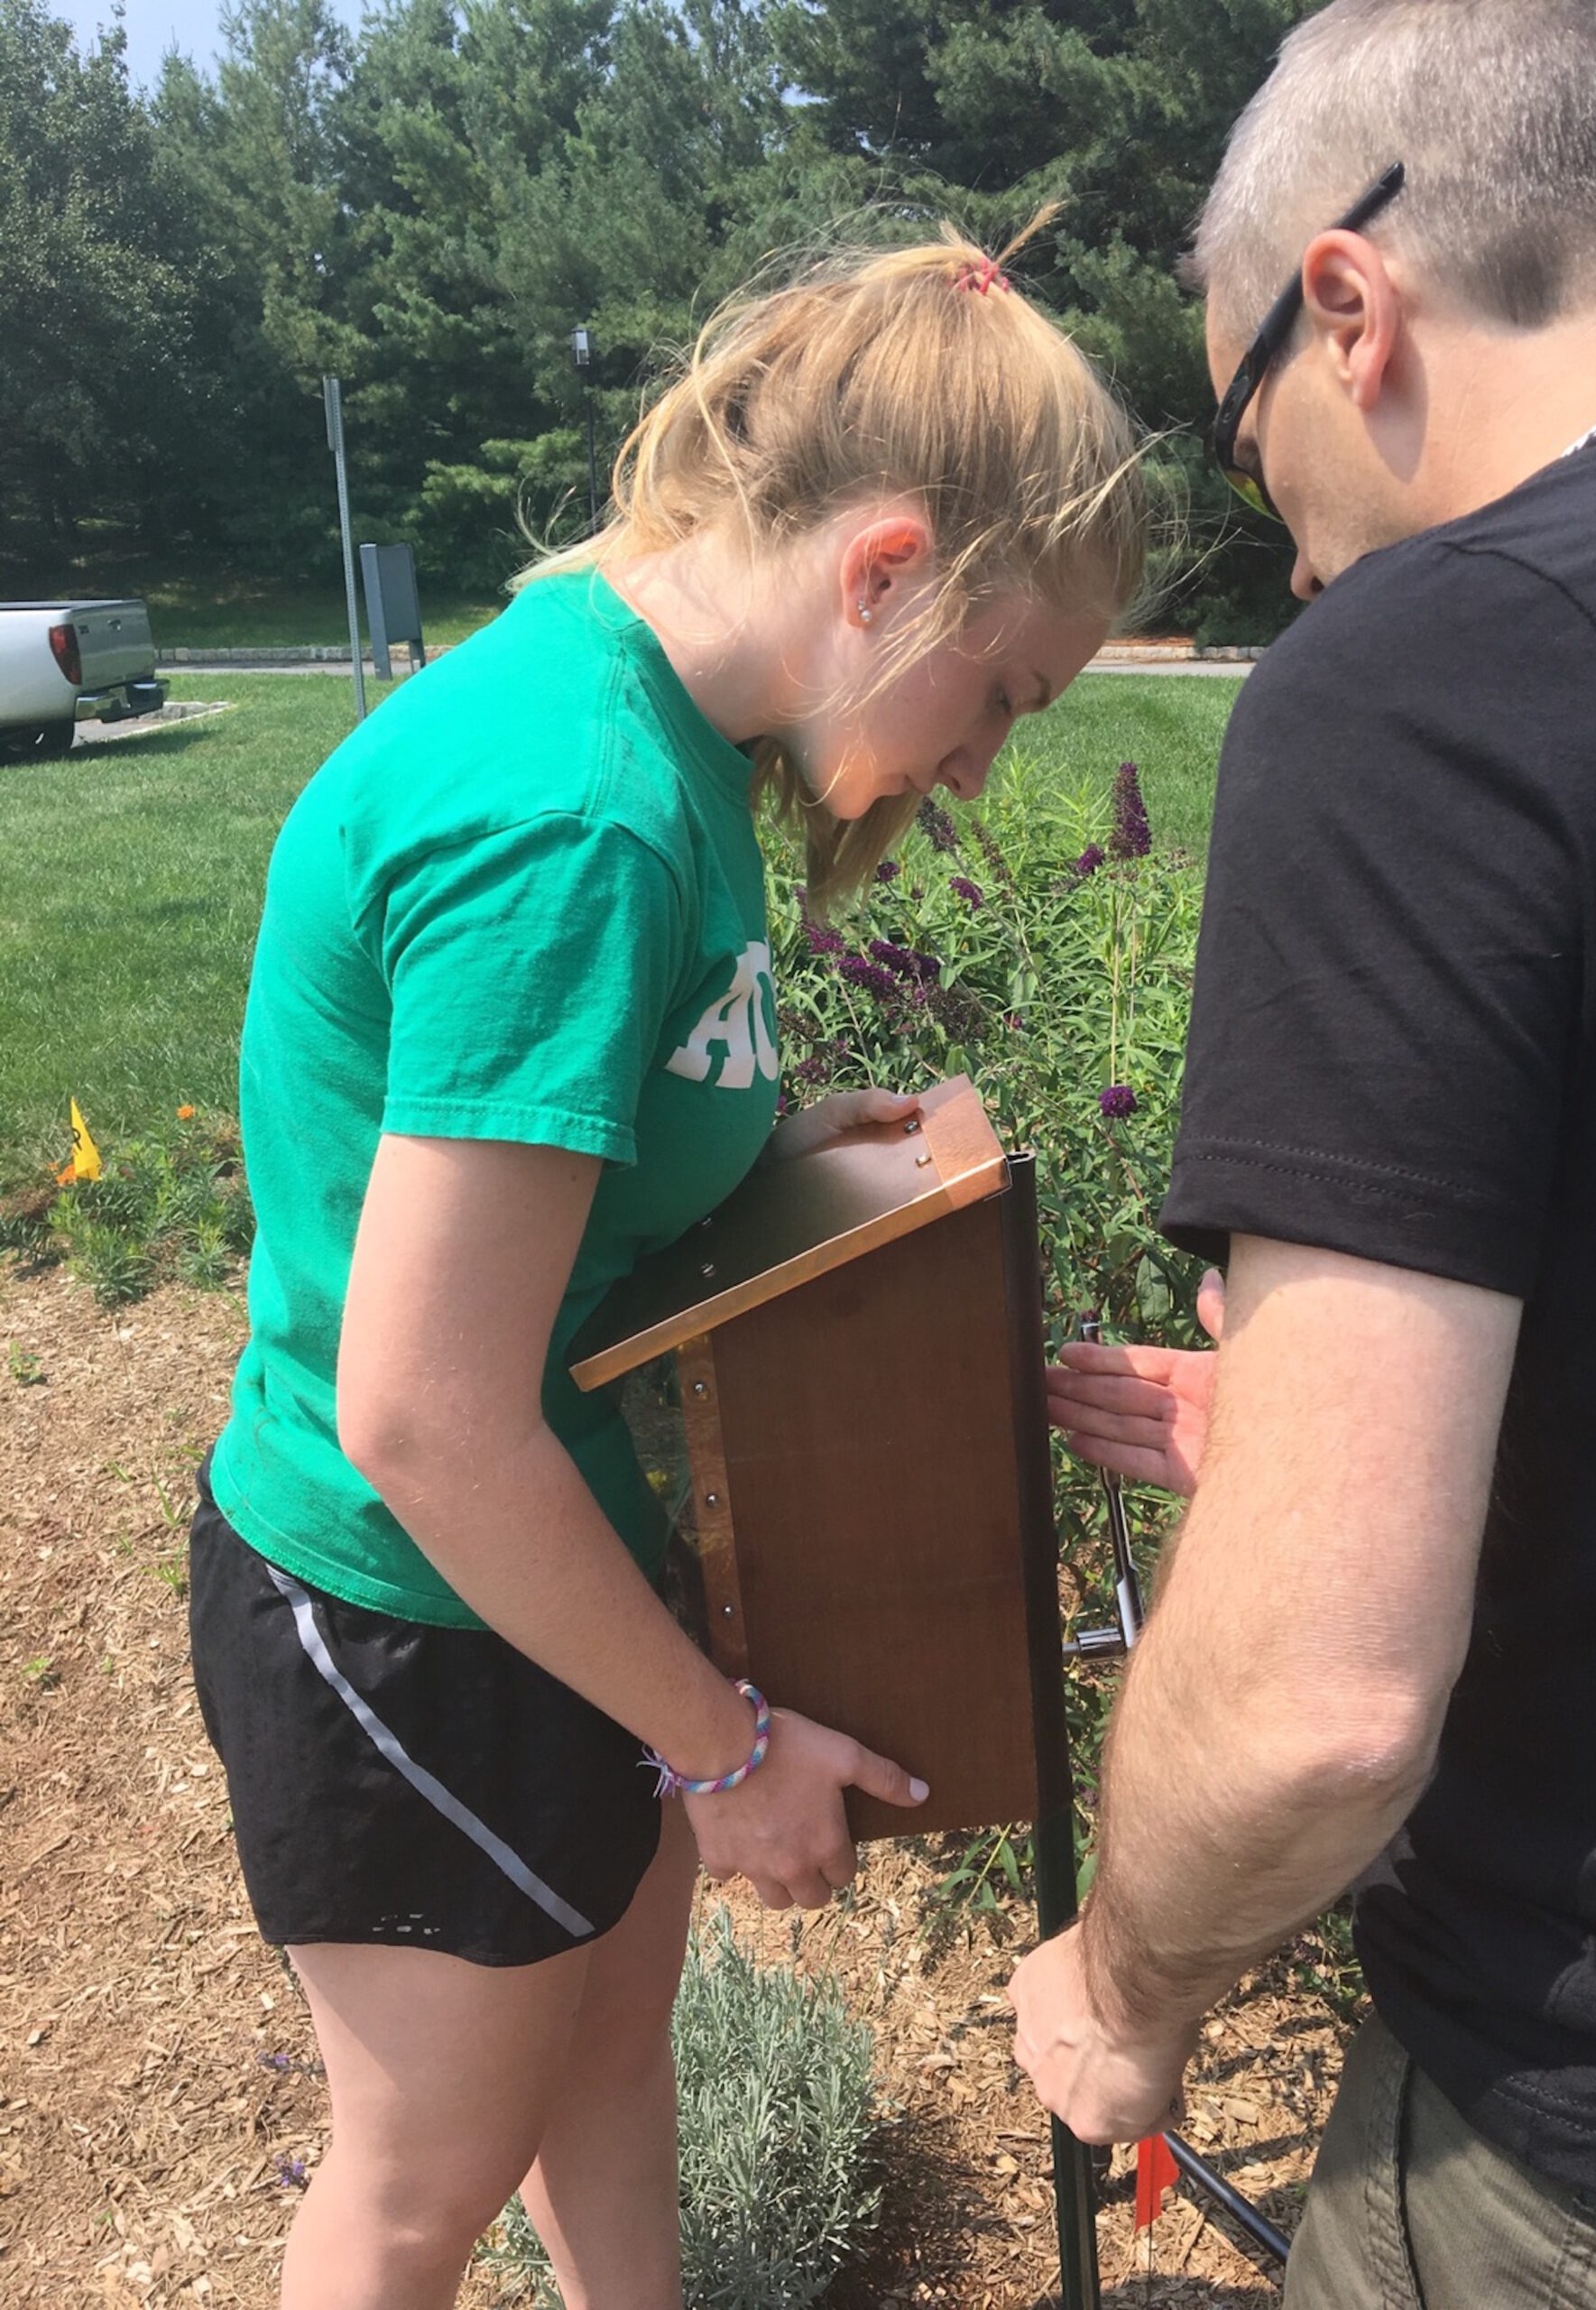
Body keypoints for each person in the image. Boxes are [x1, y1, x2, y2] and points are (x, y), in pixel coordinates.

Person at [189, 231, 1146, 2310]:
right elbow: (422, 1411)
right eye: (1006, 694)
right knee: (417, 2182)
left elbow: (575, 1134)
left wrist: (777, 1143)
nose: (986, 764)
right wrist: (721, 1742)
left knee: (610, 2071)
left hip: (560, 1583)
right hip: (417, 1601)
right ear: (884, 567)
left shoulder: (671, 740)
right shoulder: (585, 813)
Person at [1011, 3, 1596, 2303]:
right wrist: (1384, 1434)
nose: (1293, 555)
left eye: (1249, 446)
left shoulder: (1438, 669)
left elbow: (1320, 1696)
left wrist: (1121, 1991)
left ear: (1350, 307)